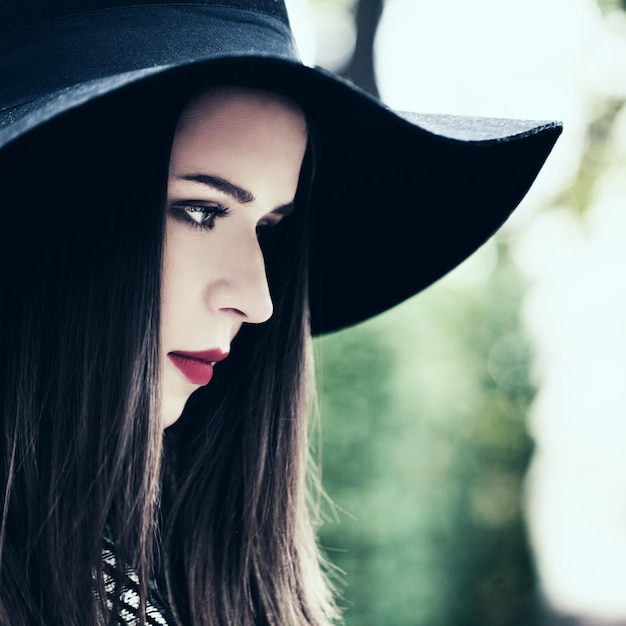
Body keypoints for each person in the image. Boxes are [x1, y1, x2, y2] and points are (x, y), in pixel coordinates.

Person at [0, 0, 562, 624]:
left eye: (269, 227)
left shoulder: (156, 571)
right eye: (200, 210)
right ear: (40, 208)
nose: (259, 300)